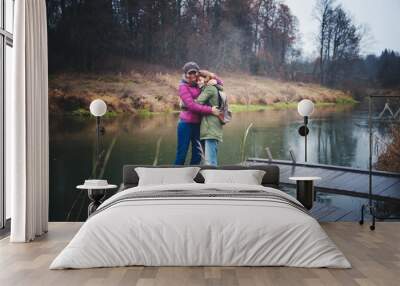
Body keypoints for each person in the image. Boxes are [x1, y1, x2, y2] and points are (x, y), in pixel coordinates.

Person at [174, 62, 221, 165]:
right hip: (185, 124)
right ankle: (176, 176)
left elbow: (221, 84)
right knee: (182, 154)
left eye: (194, 73)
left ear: (197, 73)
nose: (192, 76)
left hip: (199, 125)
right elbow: (191, 106)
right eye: (189, 73)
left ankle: (193, 177)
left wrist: (214, 80)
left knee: (198, 154)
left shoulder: (201, 83)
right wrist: (210, 110)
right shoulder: (183, 87)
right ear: (185, 74)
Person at [196, 70, 224, 166]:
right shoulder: (212, 88)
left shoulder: (209, 89)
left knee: (210, 162)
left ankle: (212, 179)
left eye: (200, 80)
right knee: (211, 160)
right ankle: (212, 178)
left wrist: (184, 103)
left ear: (206, 79)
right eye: (197, 80)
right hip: (212, 127)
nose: (198, 82)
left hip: (211, 129)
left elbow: (197, 103)